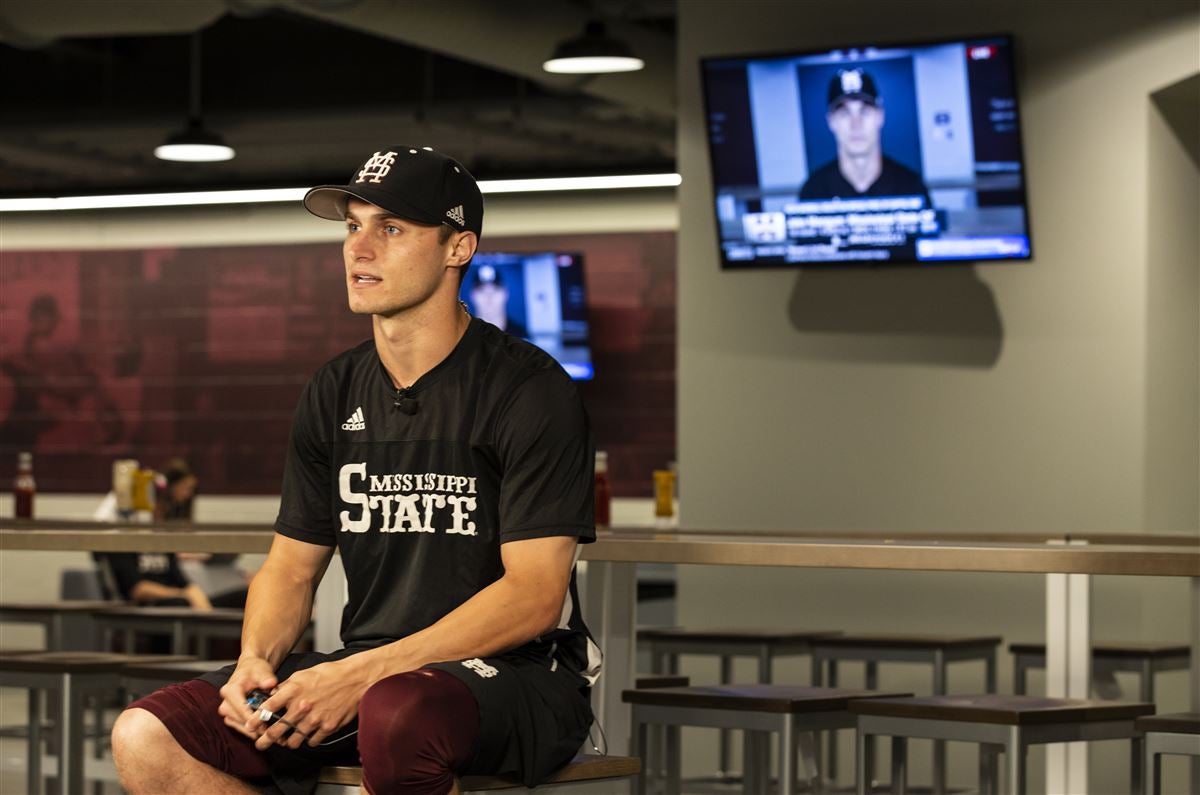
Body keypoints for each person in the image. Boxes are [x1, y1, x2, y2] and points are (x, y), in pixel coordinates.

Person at [111, 146, 600, 795]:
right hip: (373, 672)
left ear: (458, 248)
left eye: (391, 228)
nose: (358, 247)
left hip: (521, 675)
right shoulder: (334, 390)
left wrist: (362, 673)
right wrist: (256, 659)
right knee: (145, 735)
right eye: (352, 225)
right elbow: (290, 566)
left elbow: (536, 594)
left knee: (395, 713)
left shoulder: (530, 389)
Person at [93, 458, 247, 609]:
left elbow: (182, 581)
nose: (160, 511)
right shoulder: (121, 541)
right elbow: (138, 589)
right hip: (156, 605)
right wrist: (183, 594)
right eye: (158, 504)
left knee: (247, 596)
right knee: (182, 604)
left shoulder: (162, 540)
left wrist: (195, 595)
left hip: (180, 601)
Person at [799, 68, 932, 204]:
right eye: (845, 113)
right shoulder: (814, 191)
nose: (856, 124)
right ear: (831, 122)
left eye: (864, 112)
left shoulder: (910, 186)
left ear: (880, 117)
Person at [467, 264, 528, 338]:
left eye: (495, 290)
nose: (489, 297)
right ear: (472, 295)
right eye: (481, 291)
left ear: (505, 294)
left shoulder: (521, 337)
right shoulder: (461, 335)